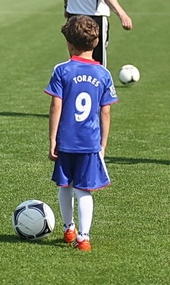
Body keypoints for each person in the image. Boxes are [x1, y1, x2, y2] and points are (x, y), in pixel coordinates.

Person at [45, 15, 118, 252]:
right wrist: (103, 144)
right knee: (84, 189)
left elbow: (56, 106)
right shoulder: (103, 74)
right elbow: (105, 112)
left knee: (65, 186)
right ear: (96, 43)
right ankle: (84, 238)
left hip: (66, 140)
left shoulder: (62, 70)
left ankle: (69, 229)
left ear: (68, 43)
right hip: (89, 142)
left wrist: (52, 139)